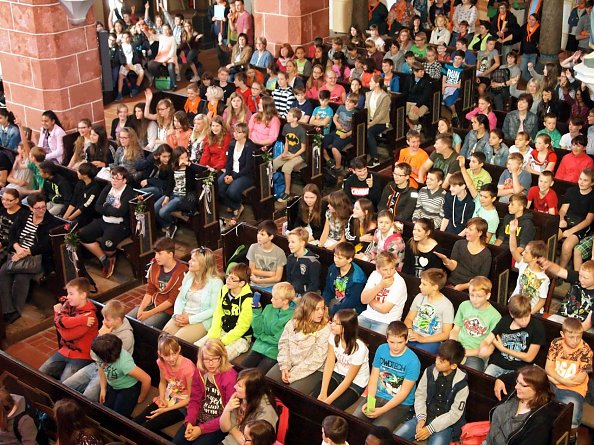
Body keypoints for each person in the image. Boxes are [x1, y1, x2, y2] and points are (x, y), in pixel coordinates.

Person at [0, 192, 60, 324]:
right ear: (31, 208)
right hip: (17, 252)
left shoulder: (51, 222)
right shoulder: (24, 215)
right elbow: (12, 233)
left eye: (43, 207)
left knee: (22, 276)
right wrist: (17, 248)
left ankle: (16, 310)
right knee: (3, 273)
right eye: (38, 208)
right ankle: (9, 310)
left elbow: (45, 245)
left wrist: (25, 252)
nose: (41, 210)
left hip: (37, 257)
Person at [395, 340, 468, 445]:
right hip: (424, 416)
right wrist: (421, 418)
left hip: (444, 425)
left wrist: (431, 428)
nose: (437, 361)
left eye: (442, 361)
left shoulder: (462, 385)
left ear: (453, 366)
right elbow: (420, 395)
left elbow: (455, 414)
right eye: (438, 357)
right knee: (396, 437)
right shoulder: (429, 371)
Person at [63, 299, 134, 402]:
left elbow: (105, 358)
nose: (103, 322)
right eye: (104, 318)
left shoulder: (126, 336)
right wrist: (100, 337)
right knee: (65, 386)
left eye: (107, 319)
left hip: (110, 371)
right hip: (97, 365)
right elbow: (94, 354)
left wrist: (101, 336)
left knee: (87, 398)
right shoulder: (109, 325)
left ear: (118, 320)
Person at [355, 321, 421, 429]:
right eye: (392, 342)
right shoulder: (381, 349)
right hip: (377, 395)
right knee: (355, 422)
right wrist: (370, 401)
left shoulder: (413, 361)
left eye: (400, 342)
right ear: (386, 338)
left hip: (400, 403)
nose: (395, 346)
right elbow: (374, 378)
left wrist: (381, 410)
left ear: (406, 340)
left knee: (379, 431)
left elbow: (404, 392)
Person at [172, 339, 237, 445]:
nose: (210, 364)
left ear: (222, 357)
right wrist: (190, 422)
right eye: (206, 359)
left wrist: (201, 429)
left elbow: (228, 413)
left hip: (219, 423)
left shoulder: (230, 377)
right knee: (177, 442)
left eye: (215, 359)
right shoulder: (200, 371)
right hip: (199, 416)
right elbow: (194, 400)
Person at [266, 292, 330, 393]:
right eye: (317, 309)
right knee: (268, 382)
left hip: (312, 369)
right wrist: (284, 367)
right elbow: (284, 344)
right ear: (306, 309)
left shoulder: (325, 329)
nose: (321, 312)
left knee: (292, 393)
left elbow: (317, 359)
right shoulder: (293, 322)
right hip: (290, 362)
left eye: (322, 308)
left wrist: (293, 374)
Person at [38, 278, 97, 381]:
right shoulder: (69, 304)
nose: (68, 297)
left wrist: (58, 317)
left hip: (82, 355)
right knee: (39, 373)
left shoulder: (89, 315)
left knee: (64, 384)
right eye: (68, 293)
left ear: (83, 295)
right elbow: (59, 320)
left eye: (71, 294)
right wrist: (79, 320)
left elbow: (67, 336)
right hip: (65, 350)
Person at [134, 334, 195, 432]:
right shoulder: (161, 362)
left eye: (174, 353)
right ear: (160, 353)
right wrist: (162, 399)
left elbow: (190, 398)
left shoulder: (188, 368)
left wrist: (165, 410)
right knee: (137, 421)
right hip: (169, 396)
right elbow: (162, 382)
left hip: (183, 404)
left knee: (148, 427)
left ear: (179, 349)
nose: (171, 358)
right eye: (167, 355)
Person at [163, 246, 223, 343]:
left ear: (203, 264)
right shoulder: (189, 276)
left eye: (193, 260)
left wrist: (190, 319)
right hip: (183, 314)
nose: (189, 262)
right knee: (164, 336)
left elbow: (212, 310)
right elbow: (180, 298)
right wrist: (177, 314)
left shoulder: (216, 283)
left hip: (201, 320)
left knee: (176, 342)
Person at [485, 366, 558, 445]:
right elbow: (516, 375)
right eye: (517, 382)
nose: (516, 387)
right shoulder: (517, 394)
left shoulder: (540, 421)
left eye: (523, 385)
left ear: (538, 389)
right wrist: (501, 379)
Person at [314, 309, 370, 410]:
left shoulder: (360, 349)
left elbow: (348, 380)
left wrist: (328, 400)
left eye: (336, 323)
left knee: (332, 408)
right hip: (338, 372)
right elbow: (330, 363)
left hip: (356, 382)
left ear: (347, 327)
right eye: (332, 321)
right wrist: (323, 392)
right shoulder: (333, 336)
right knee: (315, 397)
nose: (332, 325)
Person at [196, 263, 253, 360]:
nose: (228, 280)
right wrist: (214, 334)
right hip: (222, 331)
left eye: (232, 279)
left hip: (240, 337)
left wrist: (223, 341)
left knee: (218, 358)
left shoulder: (247, 299)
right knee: (197, 349)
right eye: (228, 276)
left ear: (241, 283)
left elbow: (242, 327)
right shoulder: (224, 289)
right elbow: (218, 312)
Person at [480, 294, 546, 378]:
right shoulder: (505, 321)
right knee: (485, 379)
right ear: (512, 315)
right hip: (497, 364)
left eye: (527, 316)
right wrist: (484, 347)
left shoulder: (537, 327)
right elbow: (488, 339)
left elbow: (529, 357)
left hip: (520, 369)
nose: (524, 321)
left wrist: (503, 349)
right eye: (520, 318)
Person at [546, 317, 593, 430]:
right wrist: (554, 380)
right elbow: (548, 367)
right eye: (571, 337)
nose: (575, 341)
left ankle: (571, 435)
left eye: (579, 337)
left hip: (574, 388)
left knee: (571, 412)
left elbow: (580, 378)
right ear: (562, 334)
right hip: (553, 383)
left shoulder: (587, 351)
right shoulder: (556, 343)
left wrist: (557, 380)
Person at [241, 282, 295, 374]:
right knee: (240, 371)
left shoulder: (292, 317)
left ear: (285, 301)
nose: (271, 300)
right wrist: (256, 312)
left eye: (275, 298)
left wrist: (261, 336)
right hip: (258, 347)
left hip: (273, 353)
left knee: (256, 377)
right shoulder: (269, 308)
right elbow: (257, 331)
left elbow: (278, 340)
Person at [449, 276, 501, 371]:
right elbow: (455, 329)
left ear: (488, 296)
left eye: (479, 296)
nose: (474, 299)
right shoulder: (464, 305)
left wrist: (465, 352)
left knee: (472, 371)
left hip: (476, 354)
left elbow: (489, 347)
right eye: (471, 295)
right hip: (457, 348)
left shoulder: (495, 316)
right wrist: (452, 344)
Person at [92, 333, 151, 417]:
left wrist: (141, 398)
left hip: (129, 387)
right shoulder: (100, 355)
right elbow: (101, 369)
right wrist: (103, 388)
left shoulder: (124, 363)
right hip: (113, 385)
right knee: (104, 411)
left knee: (118, 415)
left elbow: (147, 379)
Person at [220, 368, 278, 445]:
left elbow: (261, 441)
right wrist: (227, 409)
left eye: (239, 386)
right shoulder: (241, 397)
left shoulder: (266, 412)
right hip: (231, 439)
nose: (234, 386)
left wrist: (234, 430)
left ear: (251, 389)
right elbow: (224, 428)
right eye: (237, 383)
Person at [403, 268, 454, 355]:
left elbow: (446, 334)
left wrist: (422, 339)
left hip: (431, 340)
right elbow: (409, 318)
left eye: (424, 284)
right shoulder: (419, 297)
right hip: (413, 335)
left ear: (435, 287)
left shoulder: (447, 305)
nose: (420, 286)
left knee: (415, 354)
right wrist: (409, 329)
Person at [155, 148, 201, 238]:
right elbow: (170, 185)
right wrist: (167, 196)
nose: (184, 160)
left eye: (186, 157)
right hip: (173, 194)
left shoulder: (190, 169)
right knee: (156, 207)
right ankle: (169, 226)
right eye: (181, 158)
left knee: (163, 212)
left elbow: (201, 170)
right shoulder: (173, 168)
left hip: (184, 196)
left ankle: (172, 223)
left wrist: (189, 164)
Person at [359, 251, 407, 334]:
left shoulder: (399, 282)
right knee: (350, 331)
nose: (389, 273)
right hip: (367, 315)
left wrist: (370, 299)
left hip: (387, 321)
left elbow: (384, 309)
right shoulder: (374, 274)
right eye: (385, 269)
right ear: (377, 268)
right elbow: (363, 300)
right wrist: (380, 286)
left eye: (392, 268)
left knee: (375, 341)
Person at [218, 122, 254, 224]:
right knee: (218, 187)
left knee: (232, 191)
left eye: (238, 132)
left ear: (245, 134)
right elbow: (229, 162)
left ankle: (234, 206)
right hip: (232, 172)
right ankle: (237, 206)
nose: (235, 134)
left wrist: (233, 177)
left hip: (245, 175)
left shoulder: (249, 146)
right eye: (234, 132)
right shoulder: (232, 143)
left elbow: (248, 167)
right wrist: (228, 174)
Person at [558, 169, 594, 269]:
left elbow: (588, 220)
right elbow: (563, 210)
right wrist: (561, 219)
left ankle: (560, 273)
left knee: (567, 246)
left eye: (585, 180)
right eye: (580, 179)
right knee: (551, 238)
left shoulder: (592, 197)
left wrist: (571, 231)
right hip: (566, 221)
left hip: (581, 226)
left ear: (592, 183)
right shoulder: (571, 191)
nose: (581, 182)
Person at [322, 241, 367, 316]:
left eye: (339, 258)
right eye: (335, 256)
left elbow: (350, 302)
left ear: (349, 259)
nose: (335, 259)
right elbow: (328, 289)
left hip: (352, 308)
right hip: (336, 300)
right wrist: (324, 305)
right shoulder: (333, 268)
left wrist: (330, 312)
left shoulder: (357, 278)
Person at [273, 108, 307, 202]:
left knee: (287, 167)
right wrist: (284, 152)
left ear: (295, 118)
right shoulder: (286, 127)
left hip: (299, 155)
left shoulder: (301, 130)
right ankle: (273, 186)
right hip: (289, 152)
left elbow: (303, 148)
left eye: (289, 115)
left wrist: (293, 156)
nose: (287, 116)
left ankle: (287, 192)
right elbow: (287, 141)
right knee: (273, 164)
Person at [246, 219, 286, 291]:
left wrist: (259, 280)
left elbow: (278, 278)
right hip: (254, 284)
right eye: (258, 233)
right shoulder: (253, 247)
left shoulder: (279, 252)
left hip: (271, 286)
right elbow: (252, 270)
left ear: (271, 237)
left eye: (262, 234)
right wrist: (271, 274)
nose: (258, 236)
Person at [286, 228, 321, 295]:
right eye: (289, 242)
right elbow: (289, 279)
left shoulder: (313, 262)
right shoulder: (290, 257)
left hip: (306, 296)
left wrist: (301, 298)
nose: (289, 245)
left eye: (293, 242)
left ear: (302, 243)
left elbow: (313, 286)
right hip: (292, 293)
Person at [365, 74, 390, 168]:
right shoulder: (368, 94)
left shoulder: (385, 97)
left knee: (368, 132)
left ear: (376, 84)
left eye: (371, 81)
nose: (369, 83)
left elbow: (381, 115)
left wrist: (370, 124)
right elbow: (366, 109)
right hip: (369, 121)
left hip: (381, 122)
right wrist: (366, 121)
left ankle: (375, 159)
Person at [440, 171, 475, 236]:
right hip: (449, 231)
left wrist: (457, 238)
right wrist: (441, 234)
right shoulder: (449, 196)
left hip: (463, 234)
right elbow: (446, 217)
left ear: (463, 186)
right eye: (450, 186)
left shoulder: (471, 202)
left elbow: (469, 225)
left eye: (454, 186)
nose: (450, 189)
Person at [0, 190, 26, 256]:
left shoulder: (23, 215)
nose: (4, 202)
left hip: (10, 244)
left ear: (16, 200)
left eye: (9, 200)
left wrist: (2, 243)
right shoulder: (2, 210)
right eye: (3, 199)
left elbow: (17, 236)